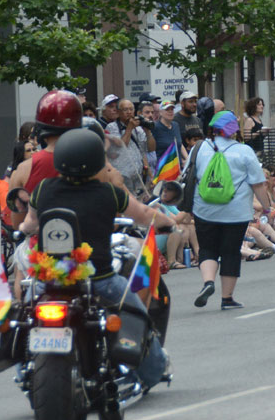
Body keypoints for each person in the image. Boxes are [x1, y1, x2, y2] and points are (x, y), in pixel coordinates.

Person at [19, 129, 170, 388]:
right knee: (138, 319)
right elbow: (144, 214)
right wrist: (170, 223)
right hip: (99, 279)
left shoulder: (43, 188)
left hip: (51, 280)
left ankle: (26, 364)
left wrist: (20, 231)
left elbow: (30, 223)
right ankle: (150, 372)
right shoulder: (108, 192)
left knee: (24, 316)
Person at [190, 111, 275, 310]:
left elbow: (188, 176)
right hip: (235, 212)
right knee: (230, 252)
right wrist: (267, 208)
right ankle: (227, 298)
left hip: (204, 209)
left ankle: (208, 282)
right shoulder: (244, 151)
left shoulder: (199, 148)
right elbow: (258, 184)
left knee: (207, 248)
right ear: (233, 130)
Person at [8, 90, 84, 227]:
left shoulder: (23, 169)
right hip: (85, 244)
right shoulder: (94, 163)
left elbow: (17, 222)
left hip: (38, 244)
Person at [105, 99, 153, 199]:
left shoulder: (138, 129)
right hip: (122, 177)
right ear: (118, 112)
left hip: (139, 178)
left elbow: (148, 149)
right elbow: (120, 148)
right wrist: (129, 128)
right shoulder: (111, 127)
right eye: (125, 110)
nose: (129, 112)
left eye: (131, 109)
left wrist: (148, 132)